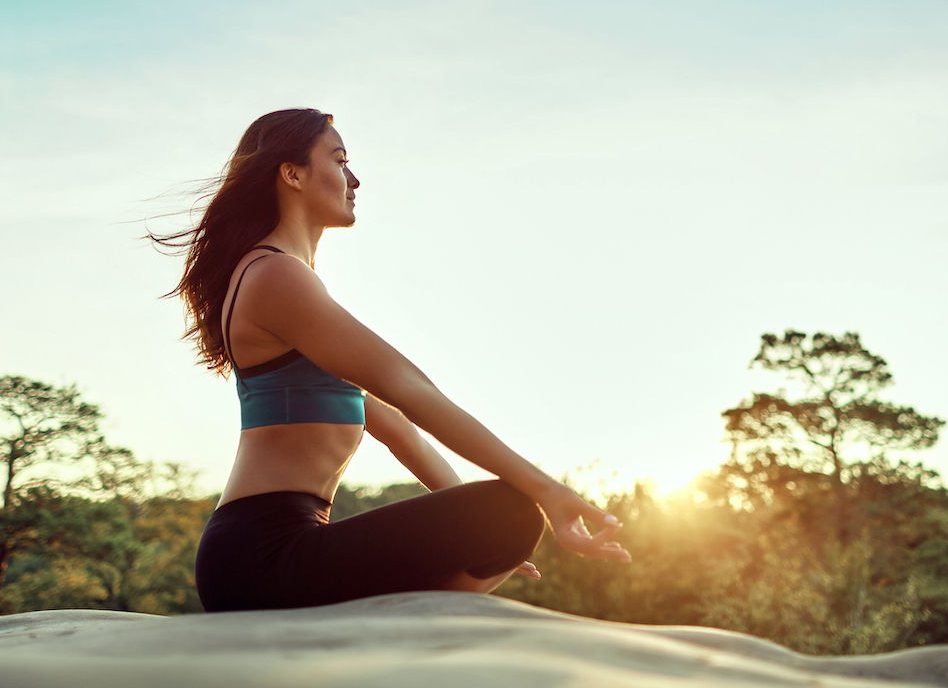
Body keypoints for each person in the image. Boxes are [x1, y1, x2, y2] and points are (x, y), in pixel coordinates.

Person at [154, 109, 630, 611]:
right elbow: (409, 386)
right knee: (513, 511)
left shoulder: (288, 282)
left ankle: (414, 636)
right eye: (339, 161)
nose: (354, 178)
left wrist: (493, 540)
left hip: (268, 549)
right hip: (261, 556)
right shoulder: (275, 276)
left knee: (505, 521)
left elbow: (400, 428)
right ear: (291, 174)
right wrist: (545, 494)